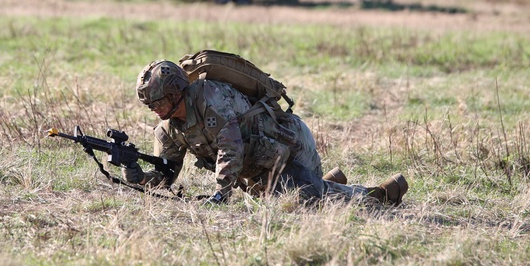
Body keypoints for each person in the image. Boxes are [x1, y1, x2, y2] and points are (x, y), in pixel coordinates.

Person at [124, 59, 408, 205]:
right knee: (294, 194)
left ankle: (380, 195)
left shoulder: (209, 97)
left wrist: (221, 194)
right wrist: (137, 176)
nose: (153, 108)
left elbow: (230, 146)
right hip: (261, 167)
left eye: (158, 101)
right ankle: (328, 182)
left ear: (176, 93)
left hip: (290, 145)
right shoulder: (168, 129)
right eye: (149, 103)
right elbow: (166, 175)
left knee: (304, 201)